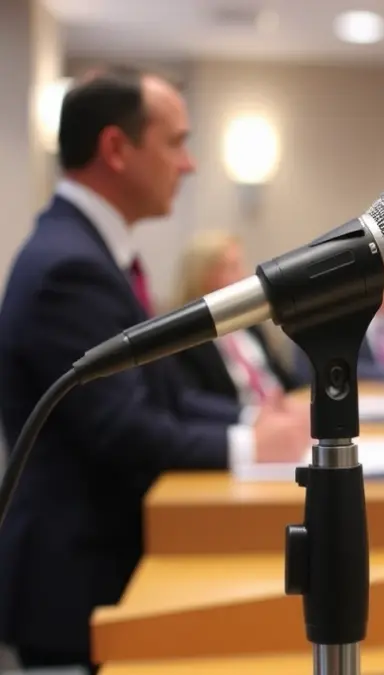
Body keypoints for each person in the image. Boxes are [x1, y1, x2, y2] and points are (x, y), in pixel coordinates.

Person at [0, 66, 309, 673]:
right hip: (76, 582)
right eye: (175, 143)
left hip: (99, 561)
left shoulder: (90, 251)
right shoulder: (69, 267)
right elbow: (120, 428)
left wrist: (252, 416)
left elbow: (162, 392)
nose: (188, 165)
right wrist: (249, 445)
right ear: (116, 148)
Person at [172, 231, 304, 404]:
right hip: (243, 417)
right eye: (233, 267)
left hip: (283, 409)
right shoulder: (188, 340)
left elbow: (283, 378)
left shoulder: (248, 322)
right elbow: (196, 402)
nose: (243, 274)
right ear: (204, 275)